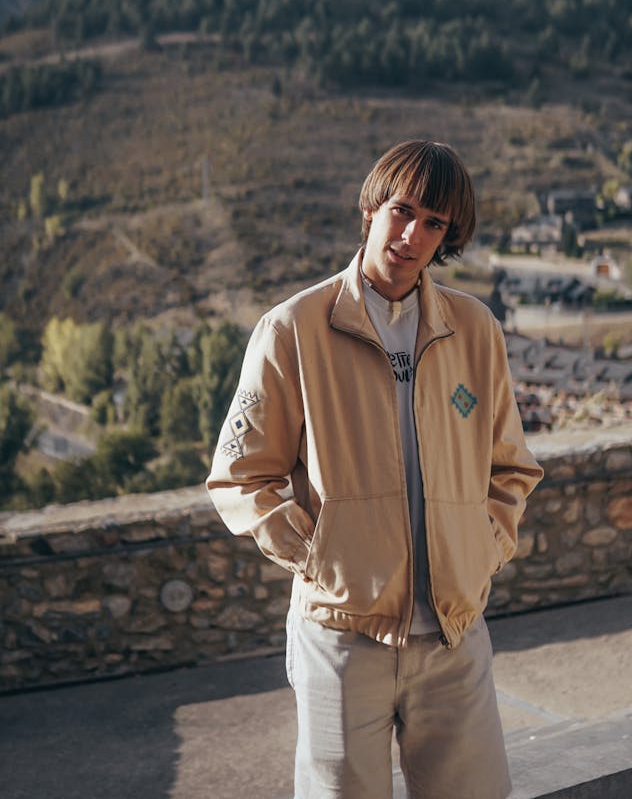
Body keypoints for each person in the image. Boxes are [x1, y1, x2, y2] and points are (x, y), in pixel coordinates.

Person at [206, 139, 543, 799]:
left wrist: (481, 550)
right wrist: (320, 557)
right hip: (341, 639)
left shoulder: (474, 331)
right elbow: (241, 476)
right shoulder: (292, 330)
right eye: (403, 210)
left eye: (435, 223)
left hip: (454, 638)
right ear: (371, 208)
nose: (414, 234)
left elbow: (511, 468)